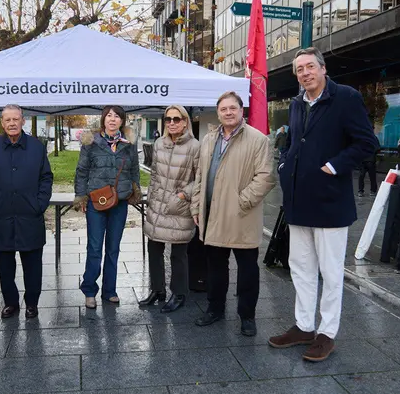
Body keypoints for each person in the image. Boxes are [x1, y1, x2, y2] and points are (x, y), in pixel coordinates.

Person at [270, 48, 379, 362]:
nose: (304, 73)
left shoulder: (345, 98)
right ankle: (304, 326)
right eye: (299, 69)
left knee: (330, 273)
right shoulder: (296, 103)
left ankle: (326, 333)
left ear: (322, 68)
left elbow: (367, 143)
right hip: (297, 200)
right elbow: (292, 142)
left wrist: (333, 167)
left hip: (330, 201)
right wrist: (285, 165)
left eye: (309, 67)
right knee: (301, 269)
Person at [190, 91, 275, 336]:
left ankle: (247, 316)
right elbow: (200, 176)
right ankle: (215, 309)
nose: (228, 112)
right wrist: (196, 205)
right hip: (212, 214)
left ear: (241, 110)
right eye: (223, 109)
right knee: (216, 268)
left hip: (241, 215)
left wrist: (242, 201)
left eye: (233, 108)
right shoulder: (209, 139)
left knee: (248, 270)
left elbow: (266, 177)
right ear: (218, 113)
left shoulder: (258, 140)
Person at [0, 104, 53, 319]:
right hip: (2, 217)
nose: (12, 123)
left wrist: (39, 203)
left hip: (30, 215)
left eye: (15, 119)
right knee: (5, 265)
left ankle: (32, 302)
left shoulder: (36, 147)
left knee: (32, 264)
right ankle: (10, 302)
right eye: (7, 120)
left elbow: (46, 177)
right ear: (2, 123)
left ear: (23, 121)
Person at [74, 105, 141, 309]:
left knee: (113, 249)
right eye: (109, 116)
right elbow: (82, 171)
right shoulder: (91, 142)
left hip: (119, 203)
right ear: (103, 119)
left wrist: (135, 190)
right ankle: (89, 291)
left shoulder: (128, 143)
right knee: (94, 248)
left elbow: (135, 169)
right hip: (97, 202)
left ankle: (109, 290)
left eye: (117, 116)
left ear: (122, 121)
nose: (112, 119)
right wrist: (81, 197)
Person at [140, 105, 199, 313]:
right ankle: (158, 290)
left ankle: (179, 293)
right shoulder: (159, 144)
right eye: (168, 119)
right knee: (154, 248)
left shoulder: (195, 146)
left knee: (178, 252)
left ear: (185, 121)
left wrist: (183, 196)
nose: (172, 123)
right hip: (157, 204)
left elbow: (199, 179)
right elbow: (154, 174)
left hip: (179, 206)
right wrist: (152, 197)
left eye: (176, 119)